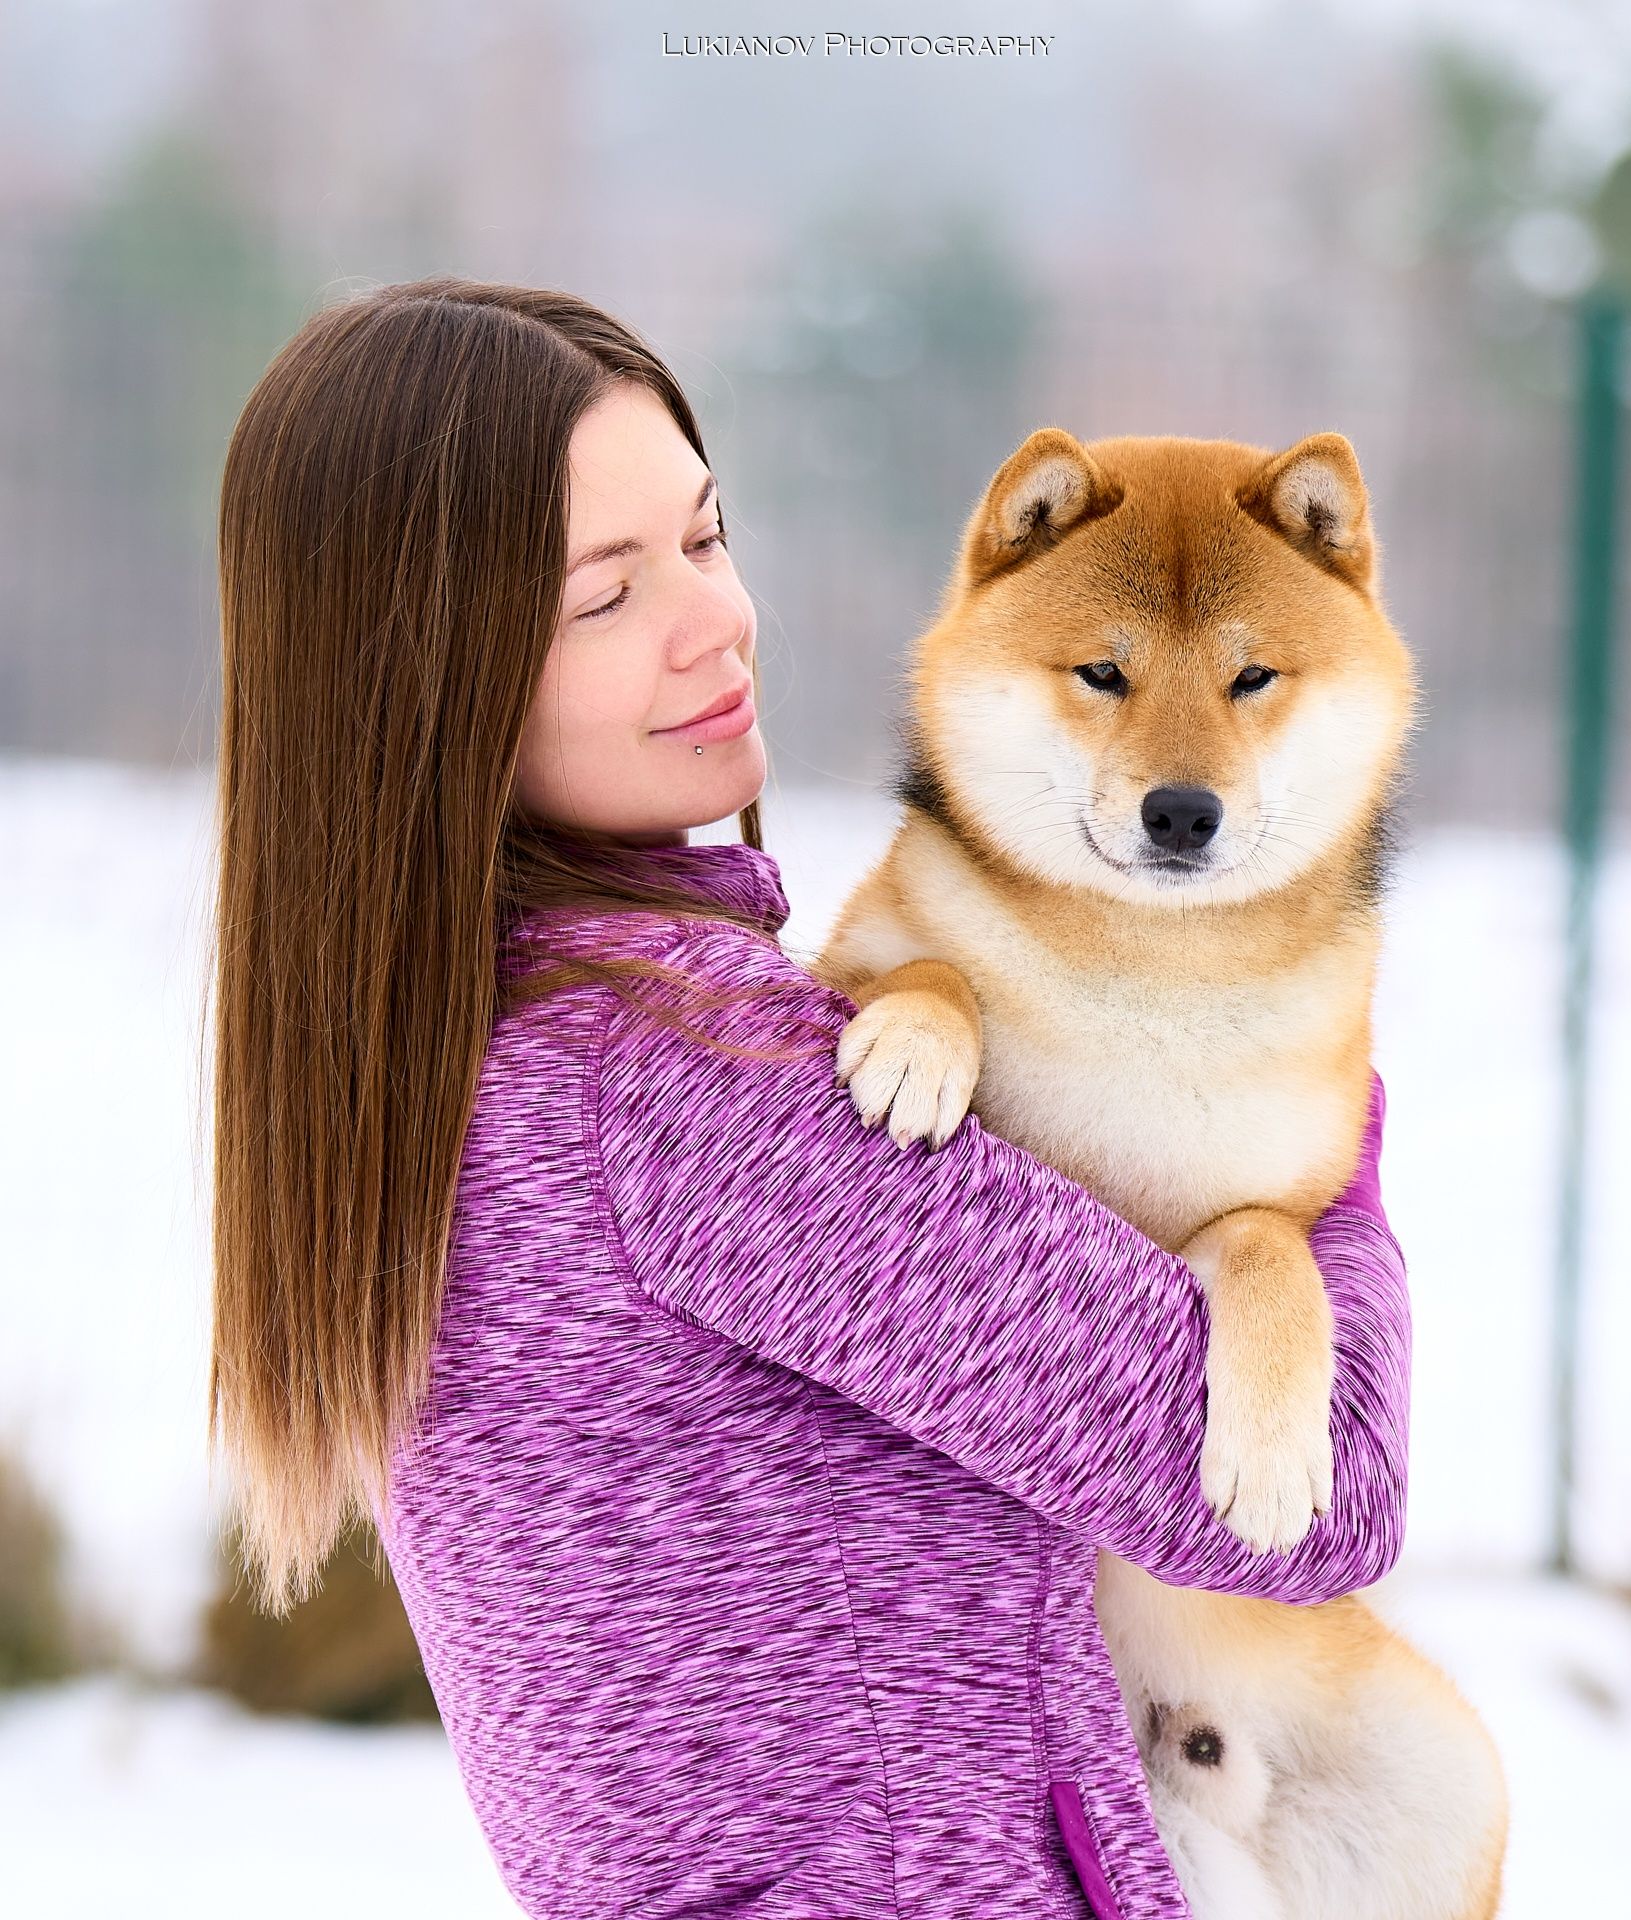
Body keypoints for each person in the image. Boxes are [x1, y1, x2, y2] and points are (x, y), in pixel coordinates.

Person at [207, 276, 1410, 1920]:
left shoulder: (449, 1044)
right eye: (601, 596)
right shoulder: (687, 1083)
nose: (713, 623)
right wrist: (1326, 1130)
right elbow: (1318, 1491)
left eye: (705, 538)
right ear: (424, 672)